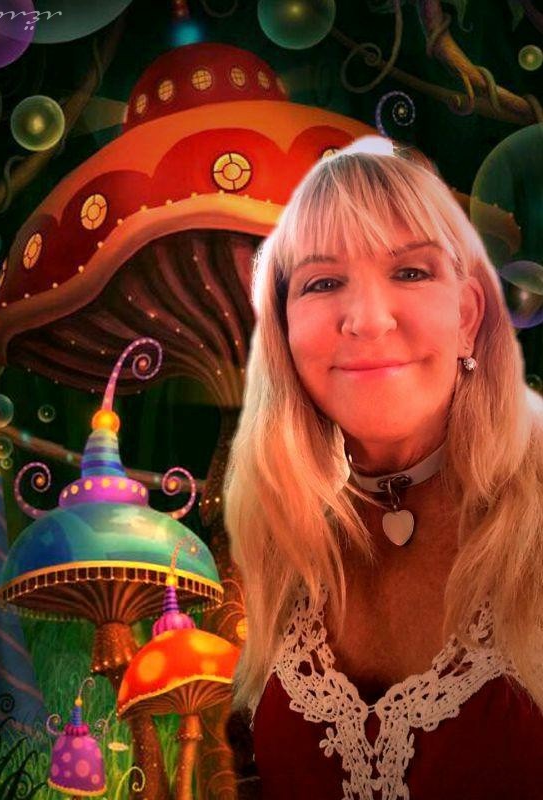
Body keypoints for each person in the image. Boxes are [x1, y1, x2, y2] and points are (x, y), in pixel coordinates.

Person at [223, 136, 543, 800]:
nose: (367, 321)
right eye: (322, 282)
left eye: (411, 272)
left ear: (468, 317)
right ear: (283, 333)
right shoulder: (277, 527)